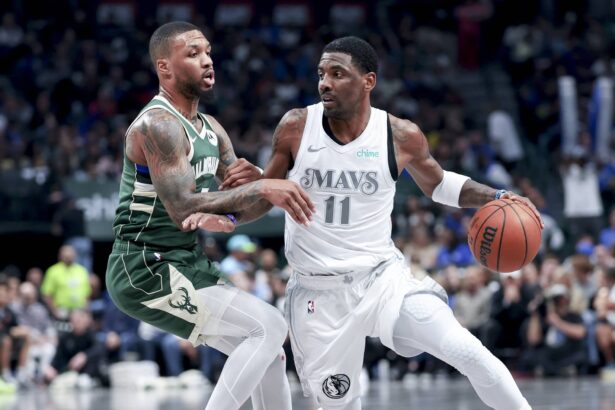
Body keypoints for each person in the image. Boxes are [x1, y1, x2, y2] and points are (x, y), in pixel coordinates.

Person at [219, 36, 542, 409]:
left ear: (368, 81)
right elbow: (267, 195)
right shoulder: (296, 126)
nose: (325, 83)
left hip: (382, 279)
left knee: (468, 352)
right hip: (317, 293)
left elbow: (438, 184)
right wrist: (229, 214)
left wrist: (497, 196)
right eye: (322, 74)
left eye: (337, 74)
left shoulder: (400, 135)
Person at [105, 21, 314, 410]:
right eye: (193, 54)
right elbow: (184, 206)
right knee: (269, 326)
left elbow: (246, 204)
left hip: (185, 260)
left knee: (269, 352)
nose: (207, 61)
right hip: (144, 264)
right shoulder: (158, 124)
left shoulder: (212, 130)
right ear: (164, 67)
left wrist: (266, 181)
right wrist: (261, 187)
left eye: (207, 52)